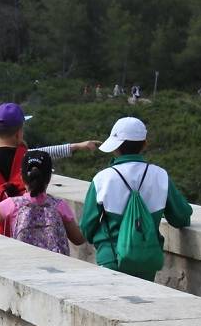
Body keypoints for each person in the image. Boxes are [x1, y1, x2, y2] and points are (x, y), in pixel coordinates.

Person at [0, 103, 99, 233]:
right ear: (19, 133)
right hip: (23, 227)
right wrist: (78, 146)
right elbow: (48, 152)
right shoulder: (28, 157)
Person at [79, 117, 193, 281]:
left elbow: (86, 226)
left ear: (115, 147)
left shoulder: (103, 179)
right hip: (146, 261)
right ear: (144, 144)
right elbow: (181, 217)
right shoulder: (160, 176)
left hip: (112, 258)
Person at [0, 150, 84, 253]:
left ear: (22, 177)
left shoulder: (14, 204)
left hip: (26, 264)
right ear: (49, 178)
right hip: (57, 268)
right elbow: (78, 239)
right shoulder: (59, 205)